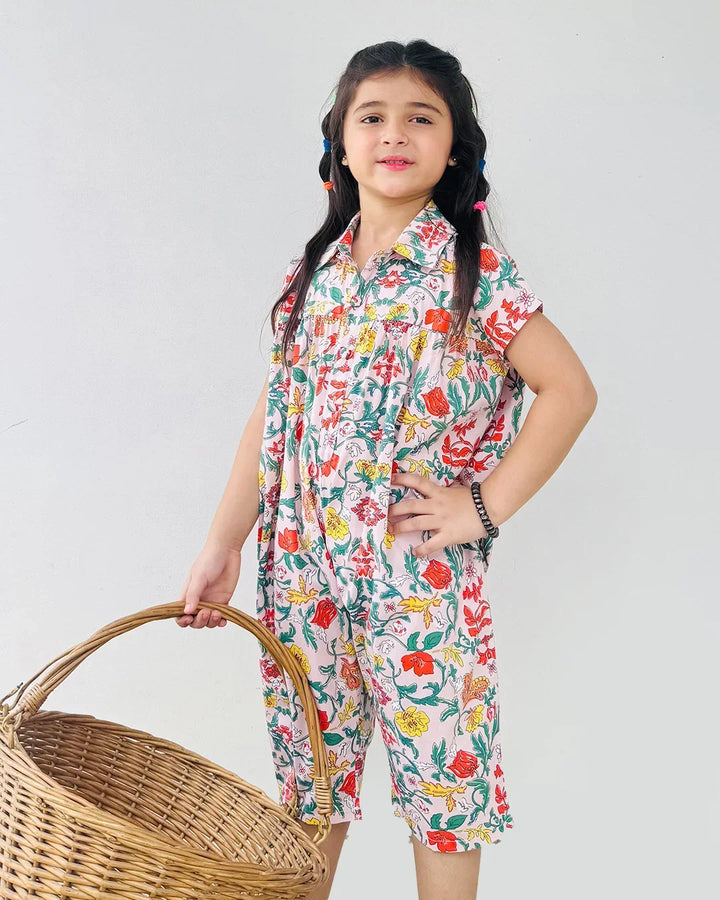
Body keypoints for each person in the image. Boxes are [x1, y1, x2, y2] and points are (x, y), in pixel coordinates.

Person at [176, 39, 597, 900]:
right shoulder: (315, 277)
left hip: (418, 586)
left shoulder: (473, 276)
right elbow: (273, 416)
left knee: (443, 792)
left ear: (454, 150)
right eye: (372, 117)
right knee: (309, 789)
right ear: (339, 143)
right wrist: (224, 544)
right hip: (302, 576)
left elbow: (569, 390)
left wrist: (481, 506)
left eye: (420, 117)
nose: (394, 133)